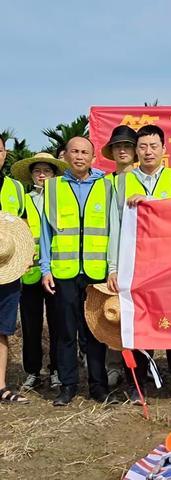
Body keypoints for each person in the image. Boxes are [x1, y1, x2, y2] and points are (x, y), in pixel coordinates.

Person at [107, 124, 171, 403]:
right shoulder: (122, 182)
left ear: (164, 149)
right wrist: (113, 267)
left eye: (153, 146)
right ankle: (138, 383)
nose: (148, 152)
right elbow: (116, 226)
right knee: (137, 323)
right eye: (143, 147)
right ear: (136, 151)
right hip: (135, 265)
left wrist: (150, 202)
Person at [40, 137, 114, 406]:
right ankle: (68, 386)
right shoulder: (53, 188)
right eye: (75, 152)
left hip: (96, 271)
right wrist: (45, 268)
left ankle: (98, 386)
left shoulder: (108, 186)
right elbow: (45, 232)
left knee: (95, 331)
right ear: (66, 156)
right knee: (66, 331)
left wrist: (112, 268)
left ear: (93, 157)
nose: (80, 156)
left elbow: (114, 229)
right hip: (64, 270)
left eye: (85, 152)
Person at [11, 152, 68, 390]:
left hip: (56, 269)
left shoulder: (62, 199)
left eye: (47, 170)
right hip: (29, 270)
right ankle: (33, 371)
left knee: (57, 323)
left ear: (55, 175)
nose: (42, 174)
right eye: (37, 171)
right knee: (31, 324)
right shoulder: (24, 200)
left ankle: (56, 370)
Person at [101, 125, 137, 388]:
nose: (122, 150)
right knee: (113, 314)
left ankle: (142, 368)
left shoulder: (144, 180)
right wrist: (110, 265)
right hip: (113, 258)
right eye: (117, 146)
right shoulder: (104, 182)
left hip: (142, 261)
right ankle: (113, 366)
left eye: (127, 146)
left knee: (140, 315)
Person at [0, 136, 30, 404]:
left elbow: (23, 223)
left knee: (2, 328)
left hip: (7, 267)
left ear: (5, 153)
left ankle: (1, 386)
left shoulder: (16, 188)